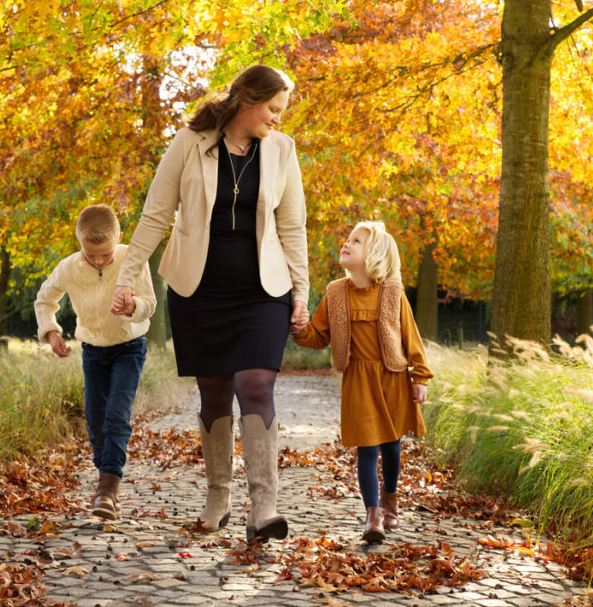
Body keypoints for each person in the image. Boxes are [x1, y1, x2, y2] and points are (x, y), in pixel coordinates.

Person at [111, 65, 309, 542]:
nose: (278, 120)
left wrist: (300, 291)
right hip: (199, 293)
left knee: (256, 384)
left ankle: (264, 507)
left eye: (283, 112)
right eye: (274, 109)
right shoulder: (188, 142)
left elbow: (292, 226)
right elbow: (156, 215)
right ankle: (218, 496)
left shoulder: (282, 150)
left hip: (264, 292)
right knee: (215, 393)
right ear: (247, 99)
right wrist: (126, 277)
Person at [291, 221, 432, 542]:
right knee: (367, 450)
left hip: (392, 378)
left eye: (356, 241)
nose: (346, 243)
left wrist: (419, 376)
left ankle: (390, 500)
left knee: (392, 446)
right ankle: (373, 516)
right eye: (348, 239)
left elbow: (412, 338)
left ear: (376, 256)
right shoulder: (335, 293)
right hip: (358, 380)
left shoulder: (393, 292)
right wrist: (300, 327)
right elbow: (318, 336)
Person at [35, 204, 156, 520]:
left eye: (106, 254)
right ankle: (106, 476)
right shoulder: (68, 268)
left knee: (117, 413)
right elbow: (45, 300)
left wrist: (133, 306)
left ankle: (108, 487)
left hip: (129, 348)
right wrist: (51, 332)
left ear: (118, 238)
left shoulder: (132, 260)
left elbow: (151, 304)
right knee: (95, 418)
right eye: (92, 255)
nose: (100, 260)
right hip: (92, 350)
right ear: (80, 244)